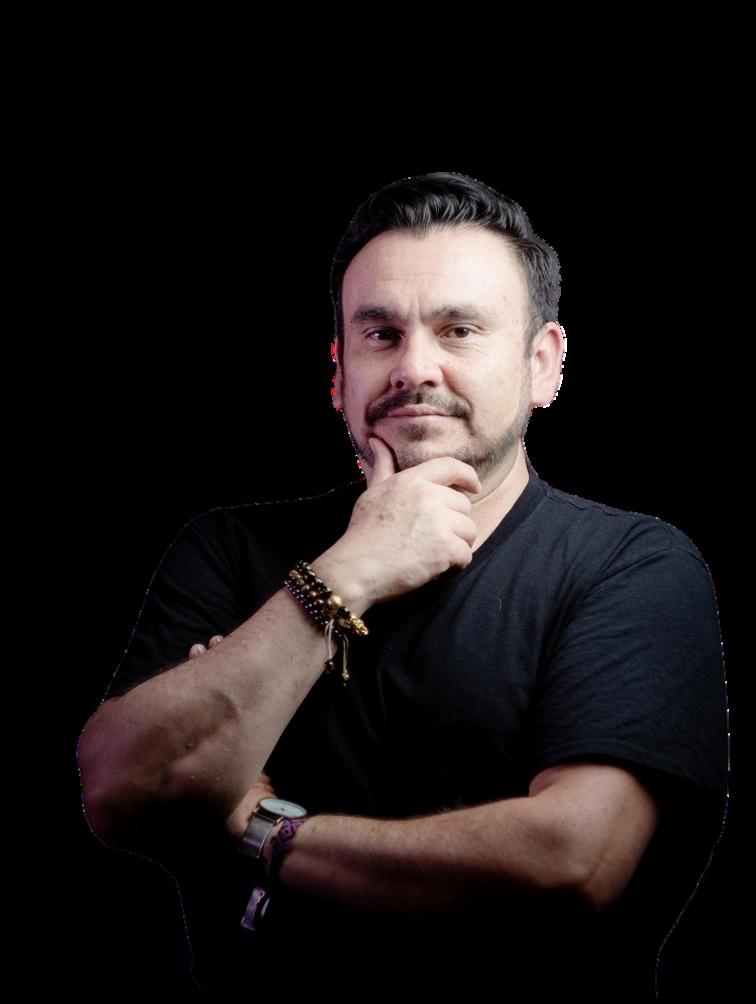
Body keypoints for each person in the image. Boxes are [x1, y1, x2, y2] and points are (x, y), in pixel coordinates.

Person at [77, 171, 728, 999]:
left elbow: (572, 861)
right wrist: (350, 570)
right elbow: (119, 790)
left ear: (542, 364)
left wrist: (259, 828)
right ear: (338, 372)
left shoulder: (633, 565)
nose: (415, 368)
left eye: (460, 330)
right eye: (381, 335)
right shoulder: (230, 549)